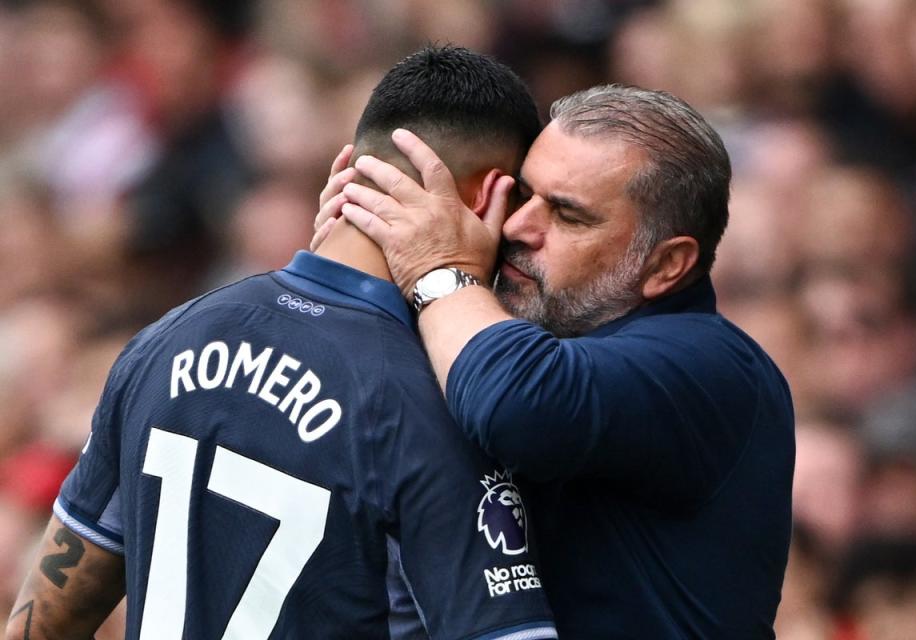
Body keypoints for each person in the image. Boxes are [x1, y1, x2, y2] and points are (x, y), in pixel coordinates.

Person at [4, 46, 557, 640]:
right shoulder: (437, 402)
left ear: (346, 171)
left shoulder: (165, 339)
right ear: (486, 199)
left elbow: (40, 625)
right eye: (524, 203)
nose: (528, 229)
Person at [323, 85, 796, 638]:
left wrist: (438, 268)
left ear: (666, 265)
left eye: (568, 216)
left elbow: (515, 402)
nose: (520, 227)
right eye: (522, 195)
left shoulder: (713, 365)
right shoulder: (510, 331)